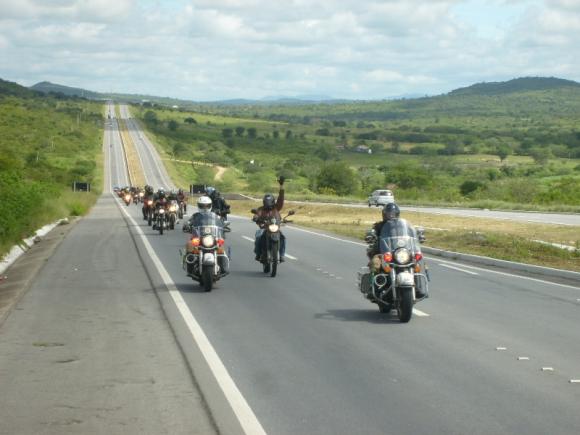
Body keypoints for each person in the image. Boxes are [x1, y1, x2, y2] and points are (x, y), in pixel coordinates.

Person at [366, 202, 427, 298]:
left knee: (417, 262)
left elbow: (412, 234)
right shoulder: (379, 226)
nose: (391, 215)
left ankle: (418, 288)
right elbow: (371, 234)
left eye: (393, 213)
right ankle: (373, 288)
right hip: (384, 252)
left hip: (402, 253)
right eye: (388, 213)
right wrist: (370, 236)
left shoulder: (404, 225)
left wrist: (419, 236)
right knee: (375, 262)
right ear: (384, 214)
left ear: (397, 214)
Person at [252, 176, 286, 262]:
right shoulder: (261, 209)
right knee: (259, 236)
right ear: (264, 202)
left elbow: (281, 199)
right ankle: (258, 253)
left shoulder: (276, 208)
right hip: (264, 228)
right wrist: (256, 218)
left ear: (273, 202)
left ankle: (281, 255)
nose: (268, 205)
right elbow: (257, 214)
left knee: (282, 237)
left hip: (275, 227)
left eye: (270, 202)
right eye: (267, 203)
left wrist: (281, 186)